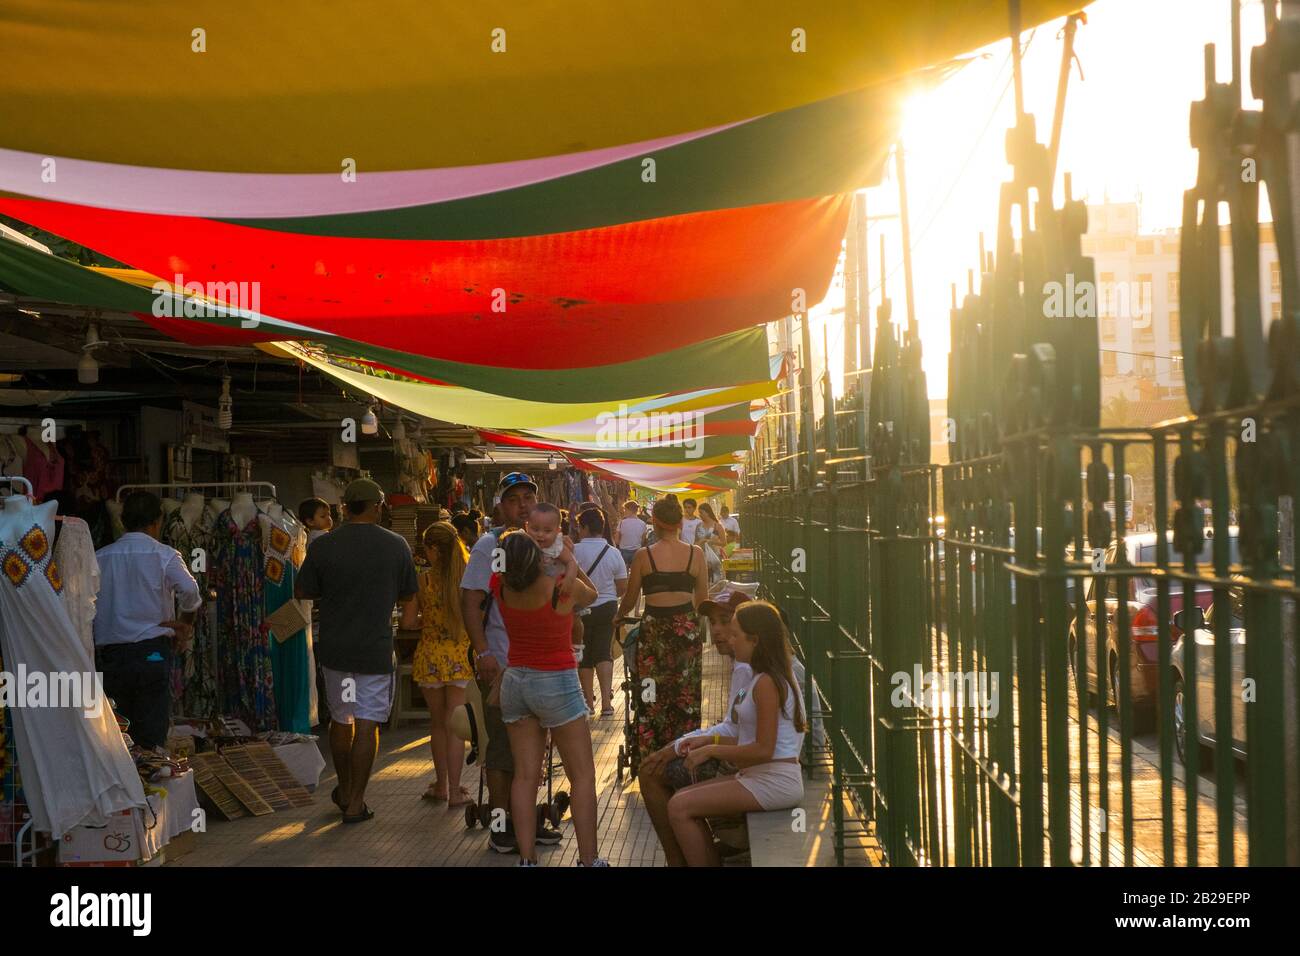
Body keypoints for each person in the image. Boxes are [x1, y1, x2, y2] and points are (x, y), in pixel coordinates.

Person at [295, 478, 418, 824]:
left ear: (346, 508)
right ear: (377, 506)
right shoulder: (396, 545)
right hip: (374, 651)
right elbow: (409, 600)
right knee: (367, 724)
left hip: (336, 649)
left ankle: (345, 789)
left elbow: (303, 590)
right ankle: (355, 803)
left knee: (341, 719)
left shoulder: (323, 546)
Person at [461, 472, 563, 853]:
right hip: (502, 663)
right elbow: (470, 600)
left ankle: (525, 823)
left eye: (528, 497)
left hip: (539, 663)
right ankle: (501, 827)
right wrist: (484, 652)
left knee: (533, 749)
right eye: (514, 498)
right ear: (500, 506)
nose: (523, 504)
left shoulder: (542, 544)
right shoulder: (491, 546)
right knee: (503, 750)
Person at [491, 531, 606, 866]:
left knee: (525, 776)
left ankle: (527, 859)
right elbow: (593, 594)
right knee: (582, 775)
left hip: (515, 682)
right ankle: (589, 860)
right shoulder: (560, 586)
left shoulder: (500, 586)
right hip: (556, 681)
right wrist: (568, 559)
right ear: (539, 558)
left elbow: (504, 564)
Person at [667, 601, 807, 866]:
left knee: (679, 807)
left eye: (735, 635)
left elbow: (764, 749)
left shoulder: (766, 684)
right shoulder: (758, 677)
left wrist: (711, 749)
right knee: (680, 801)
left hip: (775, 781)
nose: (729, 641)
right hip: (761, 775)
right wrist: (707, 739)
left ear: (755, 640)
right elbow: (746, 736)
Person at [639, 589, 749, 865]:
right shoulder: (741, 662)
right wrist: (682, 744)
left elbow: (739, 736)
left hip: (749, 767)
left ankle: (678, 861)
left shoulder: (746, 667)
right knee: (664, 764)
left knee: (650, 773)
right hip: (746, 760)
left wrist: (681, 747)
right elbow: (732, 726)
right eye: (713, 623)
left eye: (725, 621)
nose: (718, 630)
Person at [93, 491, 202, 750]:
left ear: (123, 520)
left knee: (116, 734)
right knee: (151, 731)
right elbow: (190, 591)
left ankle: (127, 784)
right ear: (157, 521)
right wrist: (185, 624)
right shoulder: (164, 554)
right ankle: (152, 783)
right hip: (152, 651)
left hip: (111, 656)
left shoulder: (100, 557)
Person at [616, 495, 709, 756]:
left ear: (654, 523)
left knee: (651, 693)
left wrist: (619, 616)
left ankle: (652, 756)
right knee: (686, 693)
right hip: (686, 632)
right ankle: (685, 751)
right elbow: (702, 601)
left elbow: (631, 598)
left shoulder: (644, 556)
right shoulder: (696, 554)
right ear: (680, 522)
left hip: (654, 633)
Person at [400, 521, 474, 805]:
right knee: (455, 724)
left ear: (432, 549)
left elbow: (407, 622)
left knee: (437, 723)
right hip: (460, 658)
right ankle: (456, 791)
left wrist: (425, 621)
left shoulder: (422, 581)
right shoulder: (466, 579)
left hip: (430, 657)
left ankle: (441, 785)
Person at [573, 508, 627, 716]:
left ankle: (588, 704)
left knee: (584, 656)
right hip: (607, 608)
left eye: (579, 526)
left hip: (580, 609)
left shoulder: (574, 552)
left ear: (585, 527)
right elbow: (622, 586)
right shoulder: (613, 553)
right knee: (604, 652)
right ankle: (606, 703)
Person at [694, 502, 727, 588]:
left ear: (707, 512)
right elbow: (695, 543)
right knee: (703, 582)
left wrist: (711, 542)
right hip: (702, 557)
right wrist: (701, 542)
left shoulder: (717, 526)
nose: (700, 515)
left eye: (701, 512)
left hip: (715, 558)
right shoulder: (698, 526)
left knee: (716, 582)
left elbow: (724, 543)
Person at [615, 499, 648, 568]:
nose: (624, 512)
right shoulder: (643, 524)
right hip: (637, 552)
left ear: (628, 510)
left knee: (624, 573)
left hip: (623, 552)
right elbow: (643, 540)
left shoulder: (622, 523)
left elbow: (616, 540)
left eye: (625, 510)